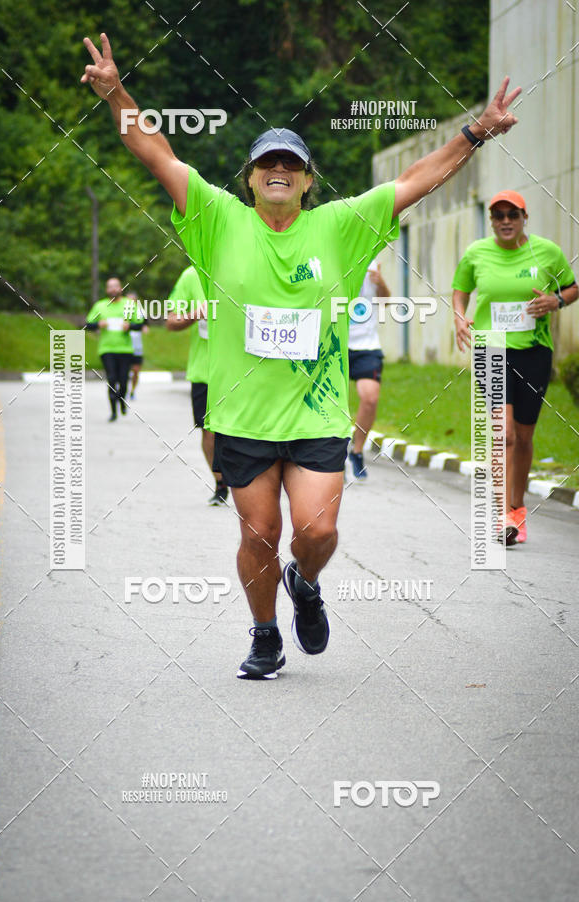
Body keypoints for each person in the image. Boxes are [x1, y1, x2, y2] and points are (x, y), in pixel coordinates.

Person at [82, 33, 520, 677]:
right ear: (251, 178)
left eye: (290, 163)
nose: (277, 170)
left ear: (308, 180)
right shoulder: (216, 219)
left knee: (315, 534)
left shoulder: (341, 225)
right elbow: (157, 153)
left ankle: (305, 584)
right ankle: (264, 634)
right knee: (256, 534)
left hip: (316, 417)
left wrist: (475, 133)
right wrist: (116, 91)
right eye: (266, 164)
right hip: (243, 417)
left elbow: (414, 181)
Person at [452, 190, 577, 544]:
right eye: (498, 215)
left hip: (534, 351)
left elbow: (572, 287)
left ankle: (517, 509)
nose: (505, 221)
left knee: (523, 437)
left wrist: (556, 301)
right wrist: (460, 318)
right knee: (502, 433)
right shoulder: (477, 253)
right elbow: (460, 291)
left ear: (524, 218)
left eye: (512, 214)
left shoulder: (547, 252)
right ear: (491, 220)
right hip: (490, 349)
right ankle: (502, 514)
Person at [166, 265, 228, 506]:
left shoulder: (246, 264)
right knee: (209, 431)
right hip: (205, 371)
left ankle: (246, 480)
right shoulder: (191, 275)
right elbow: (171, 321)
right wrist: (195, 314)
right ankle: (220, 482)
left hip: (242, 371)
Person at [346, 257, 390, 481]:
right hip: (336, 344)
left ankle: (356, 450)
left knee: (370, 398)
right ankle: (334, 452)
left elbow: (386, 302)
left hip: (367, 345)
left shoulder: (373, 262)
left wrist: (380, 282)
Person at [85, 276, 145, 421]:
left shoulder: (129, 304)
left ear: (121, 288)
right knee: (112, 379)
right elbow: (88, 324)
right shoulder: (100, 306)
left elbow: (140, 324)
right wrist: (98, 324)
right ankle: (113, 412)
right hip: (107, 349)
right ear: (106, 290)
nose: (113, 289)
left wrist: (129, 326)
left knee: (123, 381)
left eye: (115, 286)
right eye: (110, 286)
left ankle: (122, 401)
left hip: (125, 349)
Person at [125, 291, 149, 400]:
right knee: (124, 371)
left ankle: (133, 391)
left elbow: (145, 325)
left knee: (135, 371)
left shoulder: (140, 312)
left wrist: (144, 328)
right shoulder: (122, 311)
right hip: (124, 346)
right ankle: (123, 390)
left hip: (137, 346)